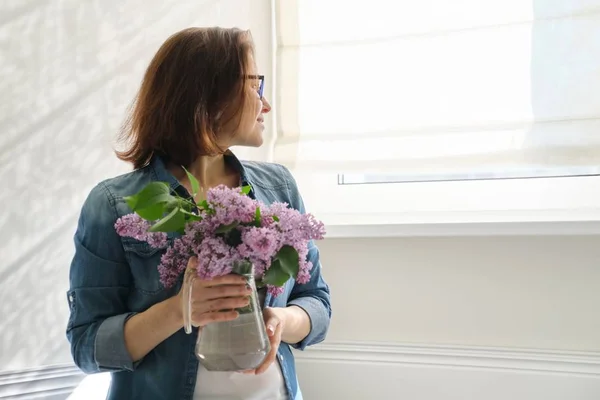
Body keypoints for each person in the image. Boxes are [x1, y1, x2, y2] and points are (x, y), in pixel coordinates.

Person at [65, 27, 331, 400]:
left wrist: (279, 321)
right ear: (208, 95)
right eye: (255, 85)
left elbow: (316, 302)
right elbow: (87, 346)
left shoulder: (279, 187)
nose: (265, 104)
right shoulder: (113, 204)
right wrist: (180, 310)